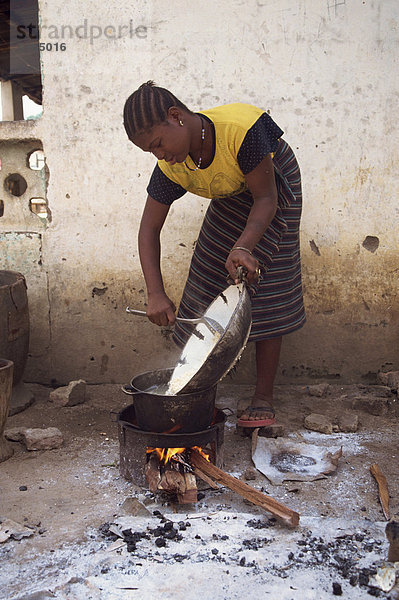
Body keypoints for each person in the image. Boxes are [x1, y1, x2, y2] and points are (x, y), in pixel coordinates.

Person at [123, 81, 305, 426]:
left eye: (158, 143)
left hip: (272, 185)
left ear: (176, 117)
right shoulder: (172, 166)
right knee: (209, 271)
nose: (159, 155)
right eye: (150, 151)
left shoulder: (241, 133)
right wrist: (155, 293)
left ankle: (263, 395)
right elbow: (148, 230)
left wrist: (244, 247)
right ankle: (194, 386)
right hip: (233, 189)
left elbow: (265, 199)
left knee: (261, 276)